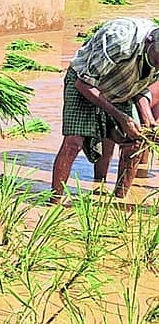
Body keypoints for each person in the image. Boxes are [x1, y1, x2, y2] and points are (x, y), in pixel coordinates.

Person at [51, 17, 159, 201]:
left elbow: (141, 87)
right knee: (73, 142)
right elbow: (84, 83)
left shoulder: (155, 57)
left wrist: (147, 117)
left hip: (122, 85)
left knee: (135, 142)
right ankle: (54, 201)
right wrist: (121, 118)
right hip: (84, 80)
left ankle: (117, 201)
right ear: (149, 42)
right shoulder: (121, 40)